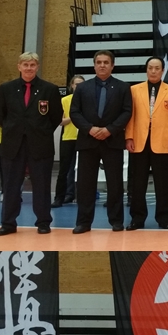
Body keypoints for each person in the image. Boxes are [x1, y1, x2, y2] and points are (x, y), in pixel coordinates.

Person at [0, 51, 63, 236]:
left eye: (32, 65)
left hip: (40, 144)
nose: (29, 68)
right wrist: (14, 129)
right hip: (13, 144)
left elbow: (55, 116)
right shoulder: (6, 88)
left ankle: (43, 222)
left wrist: (40, 131)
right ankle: (8, 223)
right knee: (10, 185)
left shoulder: (49, 89)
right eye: (25, 65)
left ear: (37, 67)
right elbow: (0, 115)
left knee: (42, 185)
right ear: (19, 66)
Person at [70, 50, 132, 234]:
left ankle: (116, 221)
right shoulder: (83, 88)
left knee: (115, 184)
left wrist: (109, 129)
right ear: (94, 65)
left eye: (106, 62)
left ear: (112, 65)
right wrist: (89, 128)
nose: (102, 65)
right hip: (88, 141)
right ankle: (83, 222)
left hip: (112, 141)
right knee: (85, 184)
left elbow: (127, 112)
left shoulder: (123, 87)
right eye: (99, 62)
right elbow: (74, 112)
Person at [123, 56, 168, 230]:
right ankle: (137, 218)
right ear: (146, 70)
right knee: (137, 183)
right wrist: (129, 137)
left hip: (162, 141)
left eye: (157, 68)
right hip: (139, 140)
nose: (153, 71)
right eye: (150, 68)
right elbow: (130, 116)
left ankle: (164, 218)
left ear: (163, 70)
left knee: (162, 182)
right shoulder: (134, 90)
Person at [52, 74, 85, 208]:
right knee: (65, 169)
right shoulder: (65, 100)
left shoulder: (89, 99)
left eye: (81, 84)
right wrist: (75, 116)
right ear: (72, 85)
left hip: (84, 137)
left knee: (84, 169)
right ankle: (61, 197)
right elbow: (61, 121)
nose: (78, 86)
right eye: (76, 84)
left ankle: (82, 196)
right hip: (68, 137)